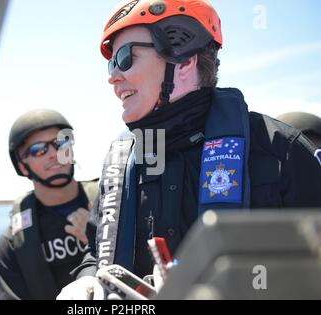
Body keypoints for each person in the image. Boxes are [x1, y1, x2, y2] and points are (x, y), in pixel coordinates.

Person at [57, 0, 321, 299]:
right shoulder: (121, 166)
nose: (113, 75)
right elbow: (96, 254)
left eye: (125, 57)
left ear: (183, 61)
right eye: (111, 63)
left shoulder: (280, 151)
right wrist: (86, 280)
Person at [0, 109, 98, 299]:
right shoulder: (11, 246)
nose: (54, 153)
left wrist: (99, 235)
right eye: (39, 149)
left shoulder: (114, 203)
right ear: (23, 166)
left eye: (61, 143)